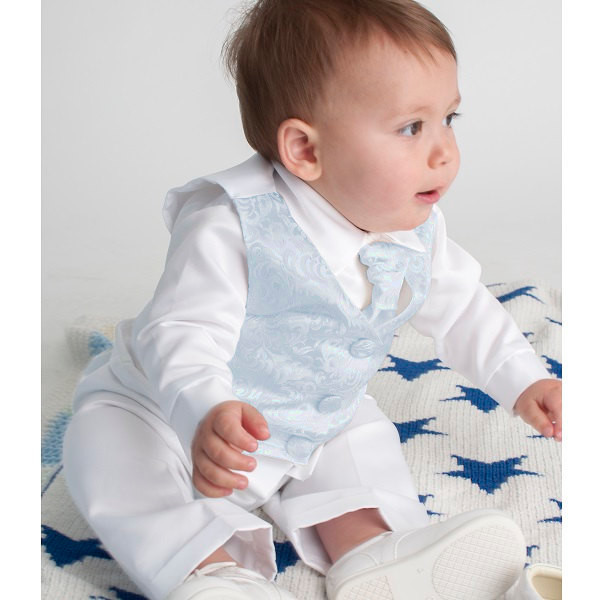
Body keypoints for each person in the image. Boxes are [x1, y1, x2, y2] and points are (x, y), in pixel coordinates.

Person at [63, 1, 562, 599]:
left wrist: (525, 379)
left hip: (315, 412)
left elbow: (464, 307)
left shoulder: (413, 226)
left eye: (449, 119)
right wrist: (204, 410)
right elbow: (181, 332)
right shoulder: (231, 223)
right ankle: (211, 572)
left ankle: (372, 549)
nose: (444, 152)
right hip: (170, 416)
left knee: (359, 437)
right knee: (111, 456)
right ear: (304, 149)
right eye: (412, 127)